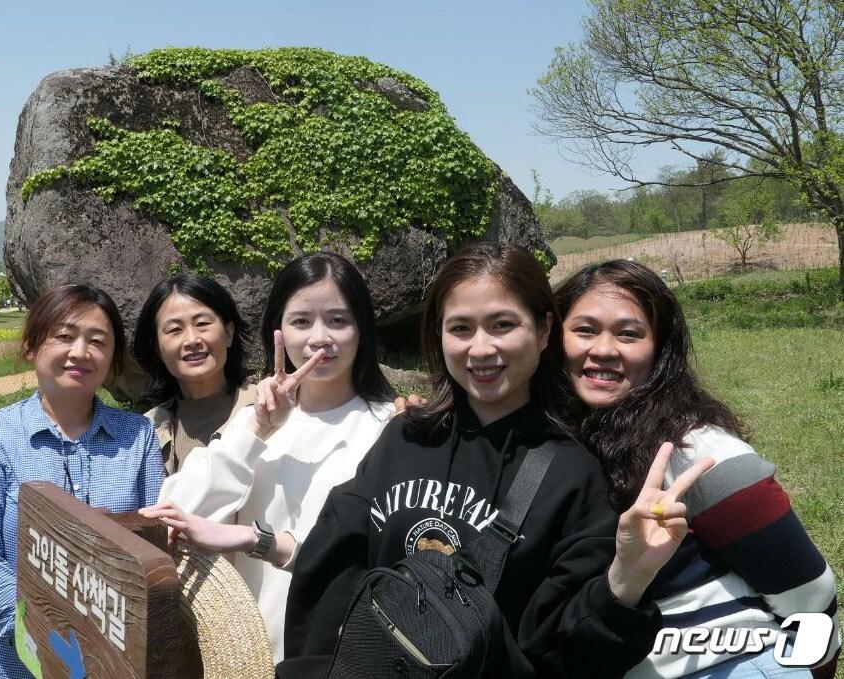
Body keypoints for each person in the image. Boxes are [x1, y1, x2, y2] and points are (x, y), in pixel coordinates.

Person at [281, 244, 711, 678]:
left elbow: (569, 654)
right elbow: (330, 578)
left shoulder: (571, 475)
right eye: (461, 328)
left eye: (503, 325)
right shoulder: (404, 437)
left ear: (544, 332)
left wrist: (625, 581)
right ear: (439, 335)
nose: (481, 349)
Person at [555, 259, 840, 679]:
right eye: (584, 329)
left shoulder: (700, 451)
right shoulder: (562, 437)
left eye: (629, 334)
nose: (603, 349)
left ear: (659, 349)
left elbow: (809, 593)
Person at [139, 252, 397, 661]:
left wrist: (259, 541)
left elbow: (380, 556)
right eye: (301, 321)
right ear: (278, 331)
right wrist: (257, 429)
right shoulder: (256, 423)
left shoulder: (389, 428)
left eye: (338, 320)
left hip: (347, 656)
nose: (319, 338)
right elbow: (177, 514)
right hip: (253, 653)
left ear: (362, 330)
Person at [0, 284, 166, 679]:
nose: (80, 352)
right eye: (64, 336)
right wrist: (45, 643)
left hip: (110, 665)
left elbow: (153, 541)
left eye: (97, 341)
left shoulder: (138, 436)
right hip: (4, 665)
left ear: (113, 358)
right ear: (33, 346)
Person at [133, 274, 255, 474]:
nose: (192, 340)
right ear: (157, 348)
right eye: (174, 329)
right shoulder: (144, 432)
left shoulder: (267, 407)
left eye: (202, 324)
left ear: (229, 333)